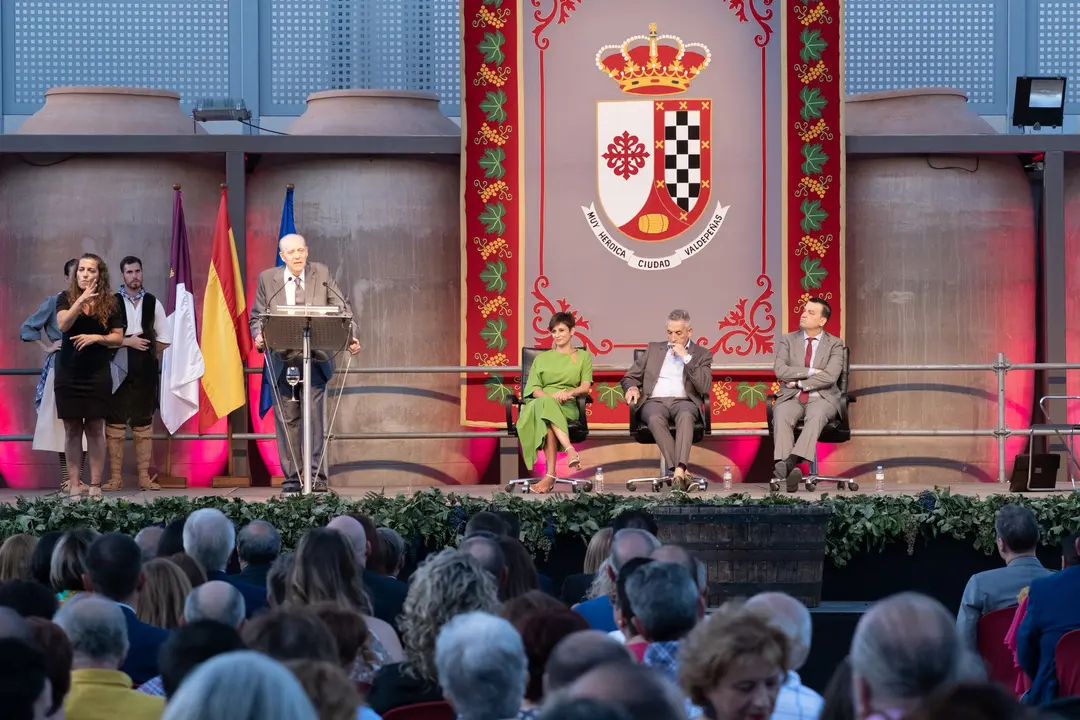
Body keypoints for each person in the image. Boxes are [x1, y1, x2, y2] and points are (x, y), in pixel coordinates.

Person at [250, 233, 361, 495]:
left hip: (315, 360)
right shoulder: (268, 279)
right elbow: (258, 316)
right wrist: (258, 335)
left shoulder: (320, 273)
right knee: (288, 421)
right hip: (282, 359)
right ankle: (291, 480)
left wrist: (351, 335)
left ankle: (316, 478)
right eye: (292, 252)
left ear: (307, 251)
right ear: (282, 256)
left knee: (315, 422)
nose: (298, 256)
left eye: (301, 250)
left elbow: (343, 309)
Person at [53, 253, 125, 500]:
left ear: (99, 274)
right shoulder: (65, 298)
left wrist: (95, 338)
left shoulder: (113, 302)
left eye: (90, 270)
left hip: (96, 374)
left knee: (95, 428)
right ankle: (74, 485)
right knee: (72, 429)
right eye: (81, 270)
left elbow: (118, 337)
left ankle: (95, 485)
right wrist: (81, 300)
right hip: (68, 374)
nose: (85, 274)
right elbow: (63, 325)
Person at [621, 309, 713, 491]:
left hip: (684, 401)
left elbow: (704, 387)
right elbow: (629, 376)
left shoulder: (702, 354)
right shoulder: (654, 349)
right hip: (654, 401)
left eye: (678, 333)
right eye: (669, 332)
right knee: (654, 418)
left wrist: (686, 358)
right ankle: (682, 473)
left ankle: (678, 471)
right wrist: (631, 387)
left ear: (689, 332)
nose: (673, 338)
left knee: (686, 415)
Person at [22, 257, 89, 493]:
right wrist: (47, 346)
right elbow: (27, 328)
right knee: (65, 425)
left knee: (86, 424)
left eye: (84, 273)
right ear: (66, 278)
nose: (80, 278)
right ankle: (68, 479)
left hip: (88, 369)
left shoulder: (93, 302)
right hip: (60, 367)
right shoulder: (55, 302)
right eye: (75, 274)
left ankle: (78, 480)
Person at [105, 256, 170, 492]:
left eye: (138, 271)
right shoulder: (111, 303)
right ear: (122, 275)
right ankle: (115, 478)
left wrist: (147, 353)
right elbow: (103, 339)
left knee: (143, 422)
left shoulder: (153, 302)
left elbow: (164, 339)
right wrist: (126, 343)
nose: (135, 276)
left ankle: (144, 477)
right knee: (115, 422)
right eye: (129, 272)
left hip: (145, 370)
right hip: (116, 366)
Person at [771, 297, 844, 492]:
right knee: (782, 414)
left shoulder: (835, 344)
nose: (803, 314)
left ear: (822, 321)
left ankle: (789, 463)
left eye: (811, 312)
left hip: (823, 396)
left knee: (817, 415)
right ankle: (790, 470)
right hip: (792, 396)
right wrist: (811, 371)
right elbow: (780, 370)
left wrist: (800, 382)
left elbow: (830, 376)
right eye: (804, 310)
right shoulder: (788, 340)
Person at [515, 312, 594, 493]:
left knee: (547, 417)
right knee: (545, 406)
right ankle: (569, 450)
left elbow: (585, 386)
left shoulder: (583, 357)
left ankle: (550, 476)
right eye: (553, 331)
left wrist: (569, 393)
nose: (557, 335)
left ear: (572, 331)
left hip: (567, 406)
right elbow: (533, 389)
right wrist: (550, 398)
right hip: (541, 403)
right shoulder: (541, 359)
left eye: (561, 330)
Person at [956, 504, 1049, 649]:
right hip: (1044, 671)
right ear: (1037, 537)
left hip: (992, 671)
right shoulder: (1060, 584)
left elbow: (964, 646)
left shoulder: (979, 585)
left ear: (1001, 543)